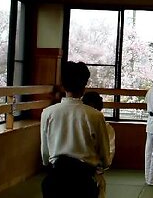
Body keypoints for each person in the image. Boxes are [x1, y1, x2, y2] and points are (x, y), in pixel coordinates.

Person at [41, 61, 111, 198]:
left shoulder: (47, 113)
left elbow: (45, 153)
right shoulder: (95, 115)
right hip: (84, 180)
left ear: (62, 84)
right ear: (84, 85)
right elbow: (104, 155)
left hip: (55, 179)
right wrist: (101, 168)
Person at [82, 91, 116, 165]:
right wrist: (105, 163)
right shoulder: (106, 126)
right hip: (90, 164)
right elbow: (108, 151)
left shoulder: (106, 126)